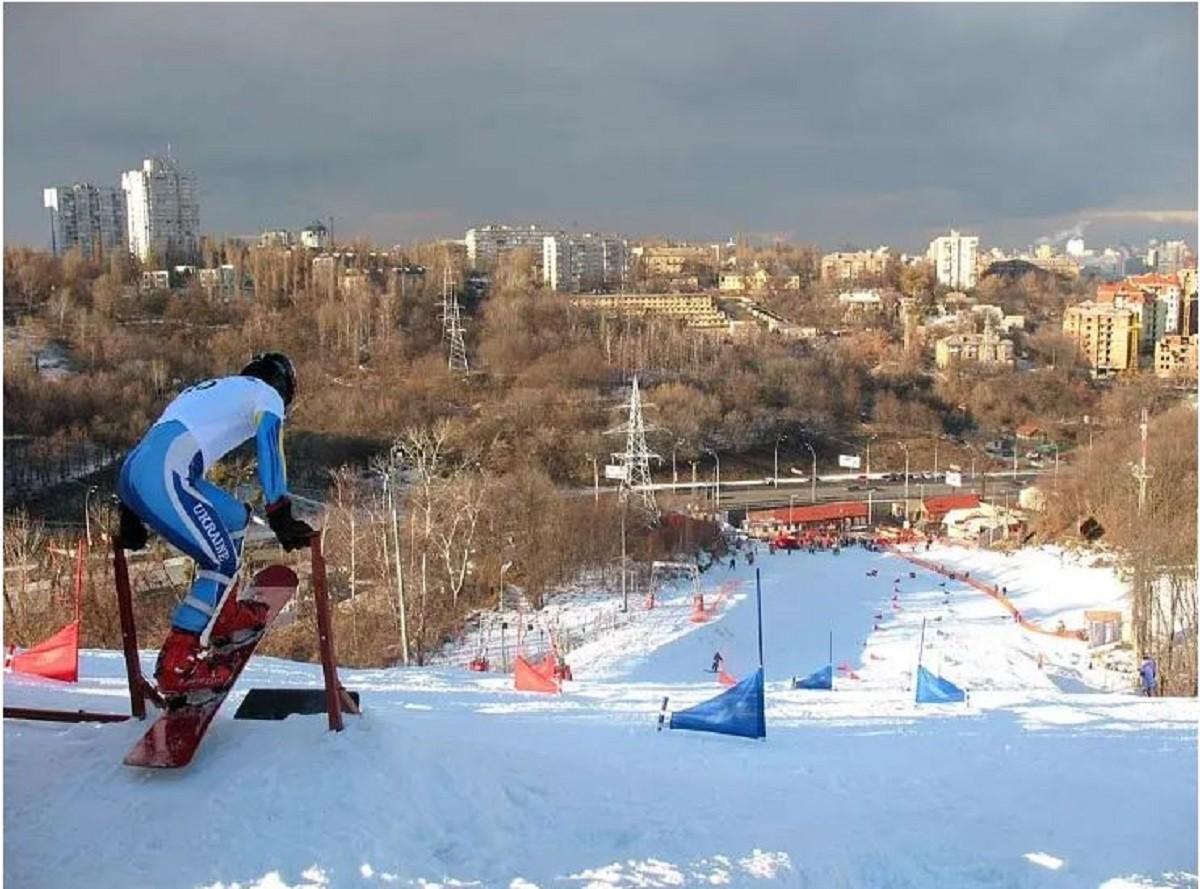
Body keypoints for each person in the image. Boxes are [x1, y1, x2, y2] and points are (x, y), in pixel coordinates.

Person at [115, 353, 315, 696]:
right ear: (284, 385)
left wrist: (130, 506)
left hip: (137, 473)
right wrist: (279, 511)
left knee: (235, 517)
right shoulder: (267, 395)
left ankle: (224, 615)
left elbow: (151, 445)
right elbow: (269, 448)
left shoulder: (203, 391)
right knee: (221, 562)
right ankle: (177, 662)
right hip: (167, 476)